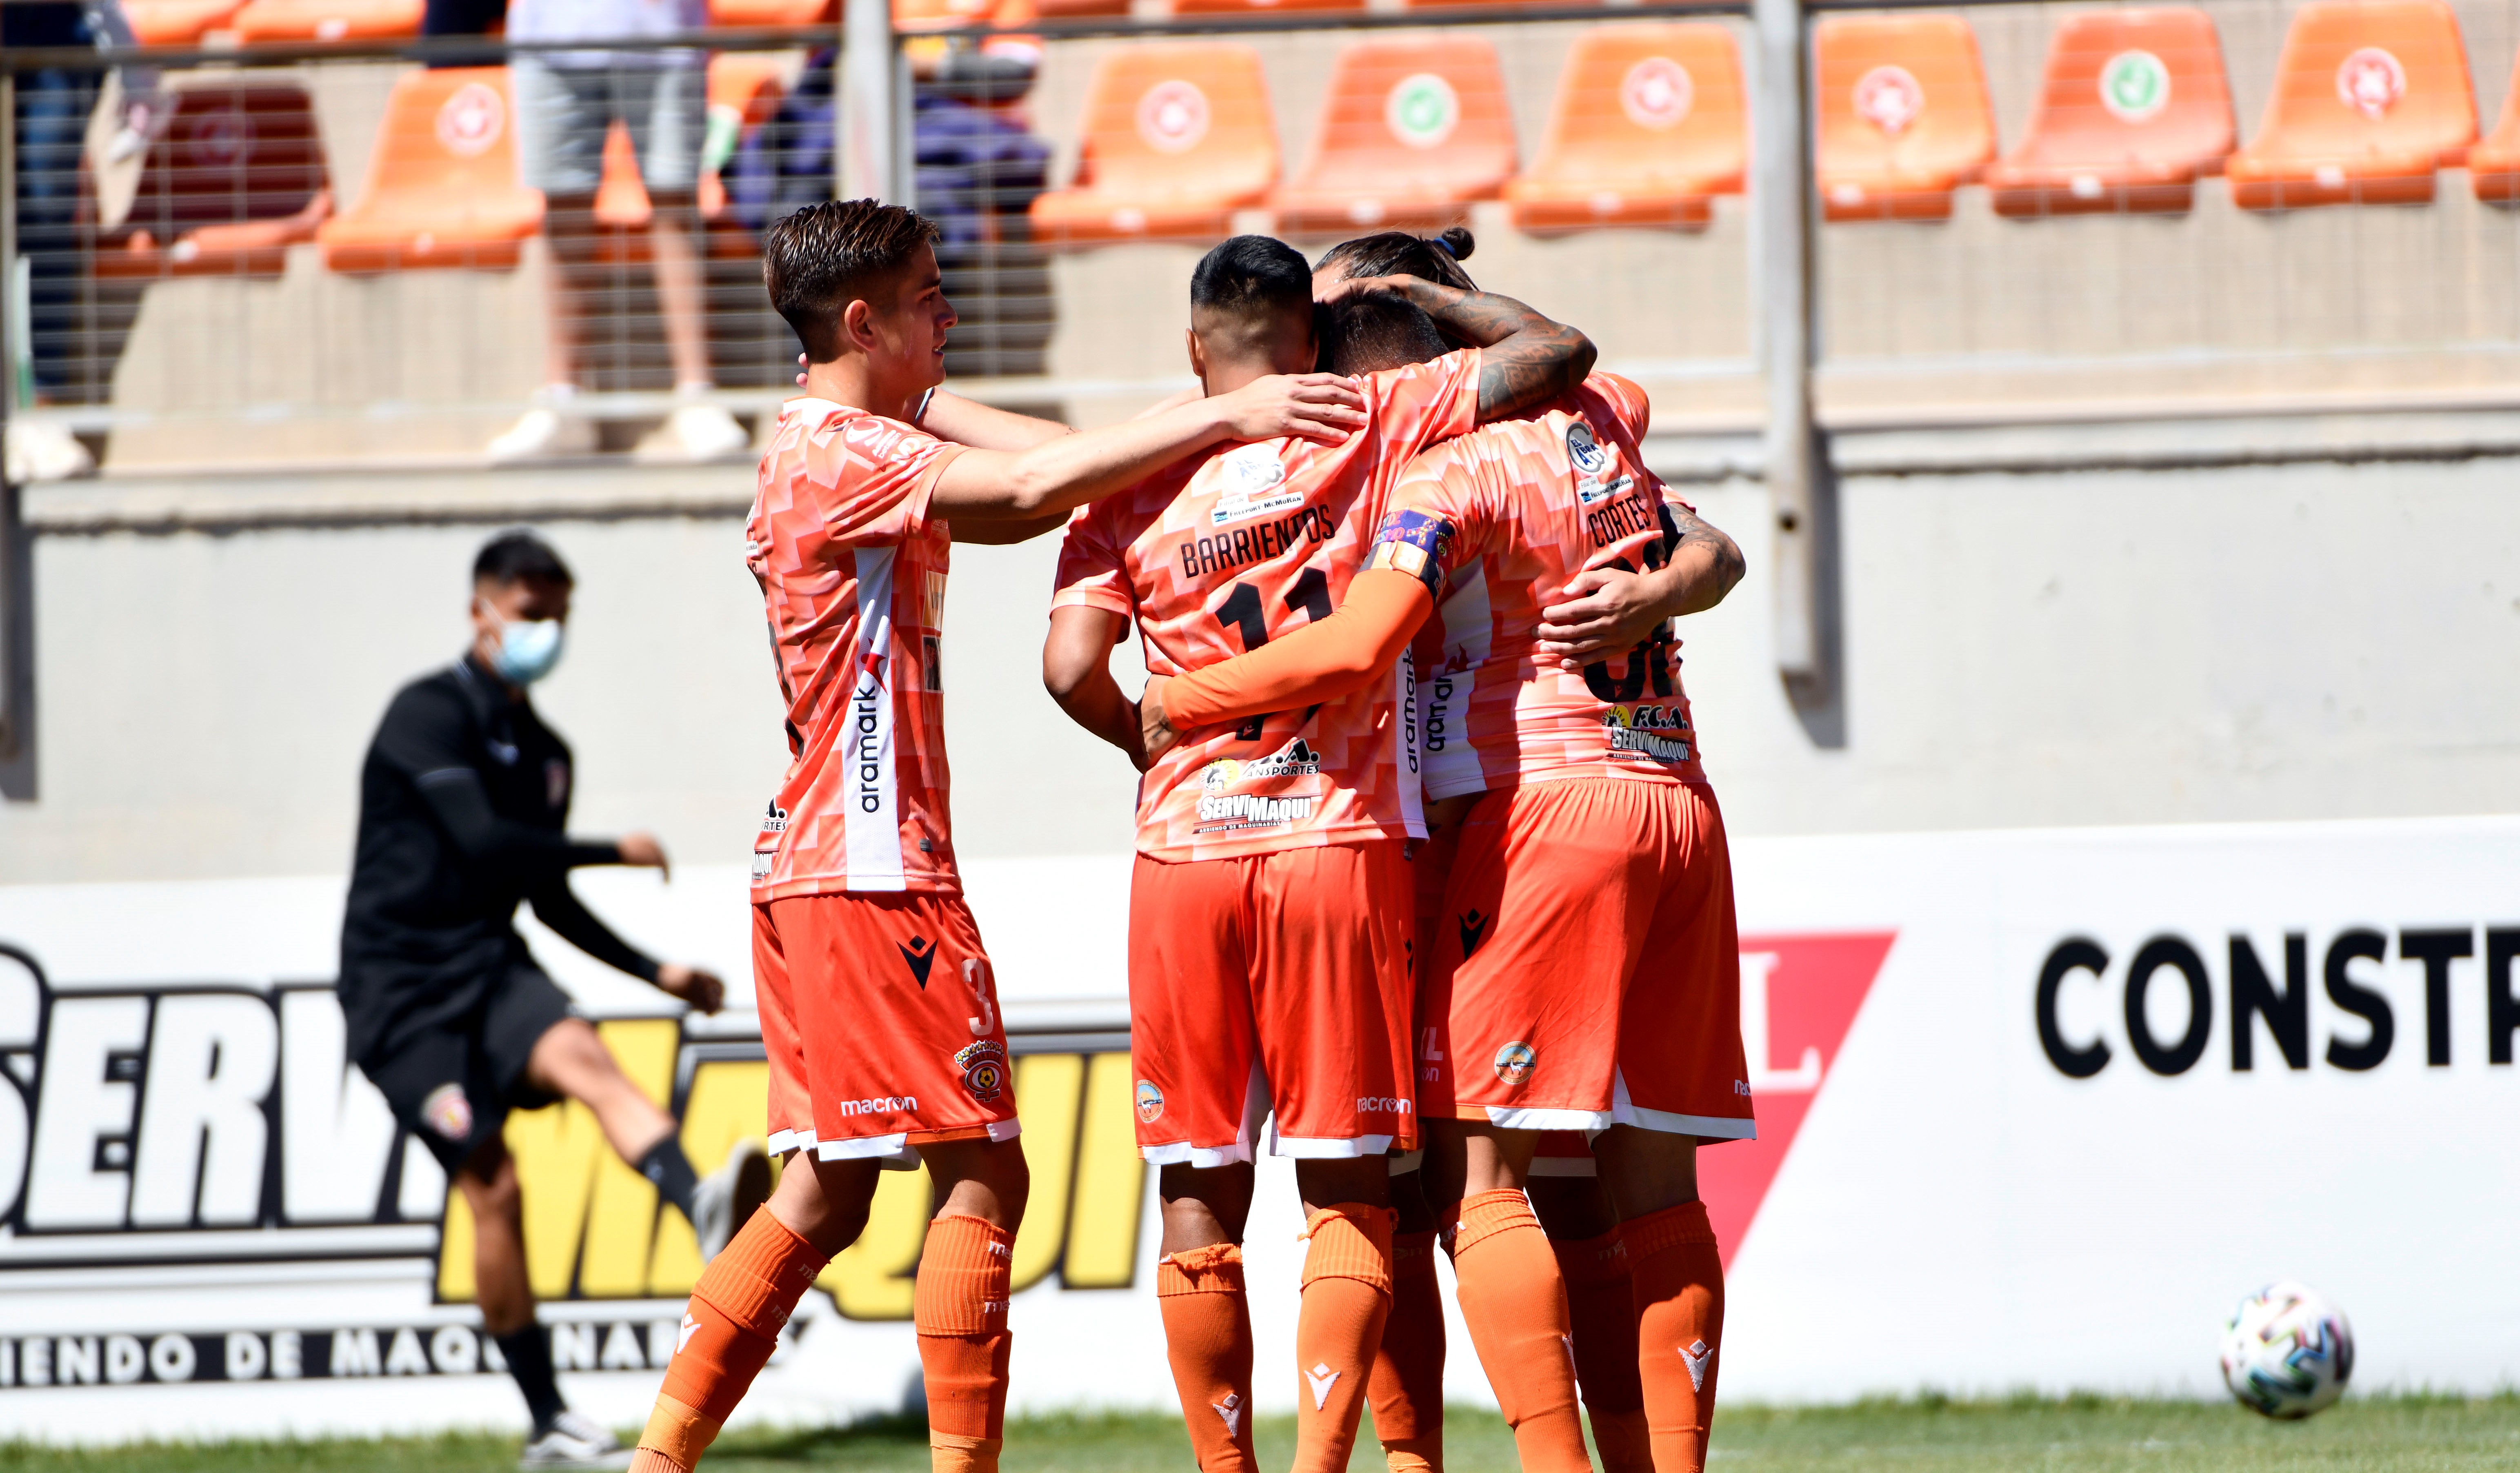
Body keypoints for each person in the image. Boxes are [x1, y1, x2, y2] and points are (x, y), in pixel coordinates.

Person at [624, 199, 1366, 1473]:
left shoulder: (838, 434)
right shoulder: (837, 454)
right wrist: (1231, 414)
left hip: (815, 858)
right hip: (872, 862)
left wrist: (1171, 428)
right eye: (927, 297)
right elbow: (1030, 492)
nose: (949, 312)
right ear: (862, 321)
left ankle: (658, 1455)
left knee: (825, 1189)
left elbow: (1068, 455)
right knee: (984, 1173)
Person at [1139, 232, 1751, 1473]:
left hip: (1501, 817)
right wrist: (1673, 582)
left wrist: (1177, 701)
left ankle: (1482, 1456)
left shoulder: (1430, 467)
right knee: (1619, 1177)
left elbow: (1362, 642)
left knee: (1447, 1172)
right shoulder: (1601, 418)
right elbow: (1709, 535)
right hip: (1669, 796)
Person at [1038, 230, 1593, 1473]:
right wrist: (1412, 291)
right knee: (1350, 1185)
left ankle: (1224, 1464)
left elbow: (1069, 666)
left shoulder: (1130, 480)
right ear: (1311, 339)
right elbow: (1555, 354)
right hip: (1333, 842)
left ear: (1196, 349)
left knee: (1197, 1185)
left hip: (1181, 855)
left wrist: (1145, 733)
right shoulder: (1374, 412)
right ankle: (1326, 1459)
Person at [339, 530, 767, 1471]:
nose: (545, 632)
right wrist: (615, 847)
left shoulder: (546, 750)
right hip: (400, 996)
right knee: (494, 1184)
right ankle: (548, 1423)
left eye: (558, 617)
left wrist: (656, 972)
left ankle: (697, 1199)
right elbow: (487, 844)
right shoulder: (426, 714)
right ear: (481, 609)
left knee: (585, 1056)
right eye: (532, 614)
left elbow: (542, 893)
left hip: (491, 966)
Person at [485, 0, 749, 463]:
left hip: (663, 32)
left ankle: (697, 395)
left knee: (673, 202)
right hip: (548, 37)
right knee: (564, 209)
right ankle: (562, 400)